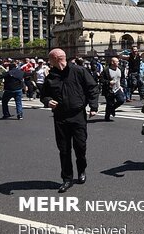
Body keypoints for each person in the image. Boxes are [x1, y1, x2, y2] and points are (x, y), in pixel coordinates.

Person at [40, 48, 99, 193]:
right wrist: (48, 101)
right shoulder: (51, 77)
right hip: (60, 117)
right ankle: (67, 178)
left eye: (52, 59)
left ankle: (81, 170)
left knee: (80, 146)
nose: (51, 62)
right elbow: (43, 95)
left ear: (57, 58)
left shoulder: (79, 71)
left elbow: (92, 87)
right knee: (64, 149)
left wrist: (93, 106)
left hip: (78, 115)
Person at [99, 57, 126, 121]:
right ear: (112, 62)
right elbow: (101, 79)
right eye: (117, 61)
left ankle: (112, 109)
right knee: (109, 104)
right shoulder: (106, 70)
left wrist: (122, 86)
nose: (118, 63)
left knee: (121, 100)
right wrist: (109, 82)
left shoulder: (120, 69)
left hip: (118, 88)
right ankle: (107, 117)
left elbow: (122, 78)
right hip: (109, 89)